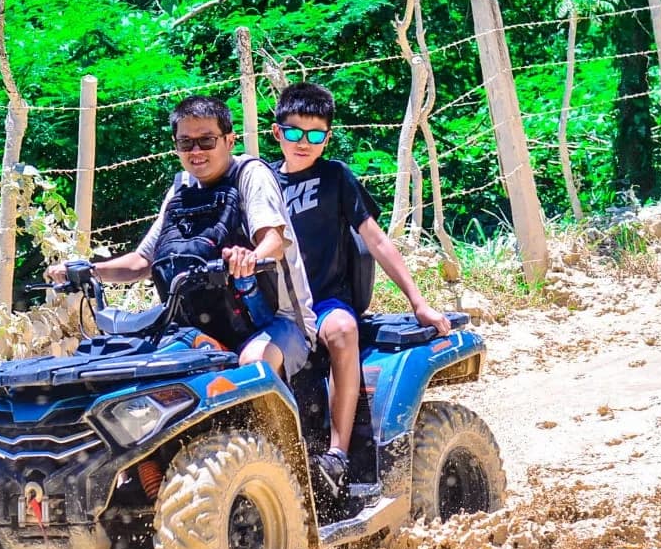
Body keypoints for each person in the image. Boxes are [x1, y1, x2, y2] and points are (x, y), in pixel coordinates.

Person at [48, 95, 316, 378]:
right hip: (201, 328)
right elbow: (142, 262)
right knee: (142, 370)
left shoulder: (250, 174)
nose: (196, 151)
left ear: (229, 140)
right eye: (186, 143)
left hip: (278, 323)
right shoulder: (182, 188)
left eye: (207, 141)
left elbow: (274, 242)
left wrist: (249, 258)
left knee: (252, 366)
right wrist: (88, 271)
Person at [270, 81, 450, 499]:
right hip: (276, 306)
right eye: (294, 132)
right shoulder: (260, 180)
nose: (303, 142)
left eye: (315, 135)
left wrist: (418, 302)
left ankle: (337, 454)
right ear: (277, 132)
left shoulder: (335, 177)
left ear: (327, 137)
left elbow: (376, 240)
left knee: (343, 331)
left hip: (326, 300)